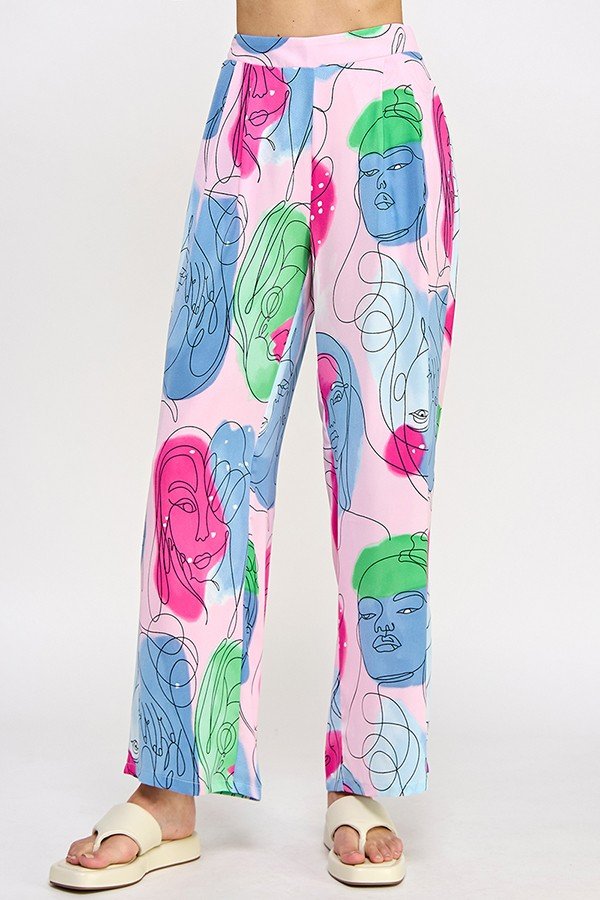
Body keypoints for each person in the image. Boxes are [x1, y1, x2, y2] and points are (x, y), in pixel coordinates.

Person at [49, 0, 460, 890]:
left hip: (383, 92)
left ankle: (364, 774)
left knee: (386, 454)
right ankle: (169, 784)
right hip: (255, 95)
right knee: (200, 440)